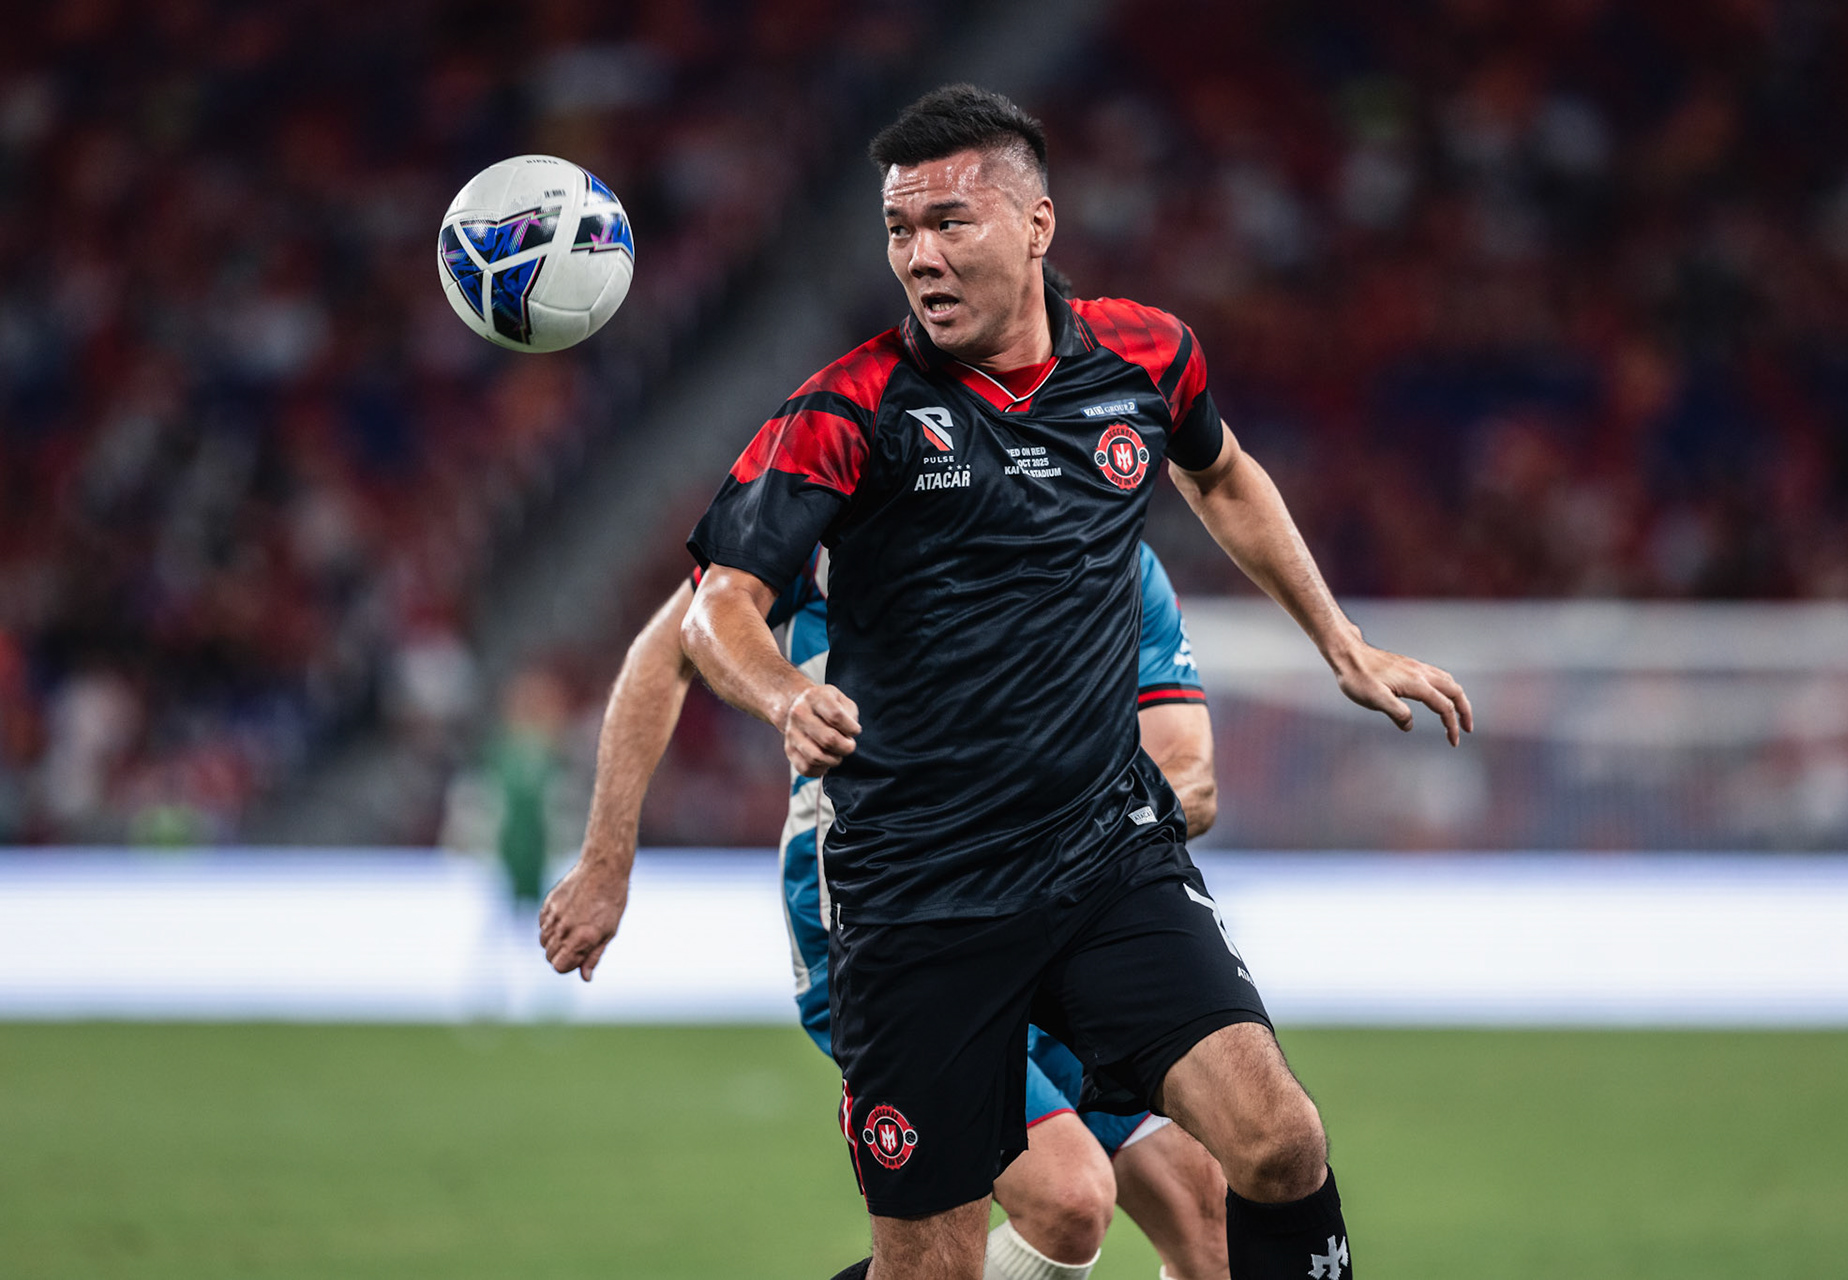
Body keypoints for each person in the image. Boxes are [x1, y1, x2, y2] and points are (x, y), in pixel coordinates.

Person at [676, 84, 1473, 1280]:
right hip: (919, 899)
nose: (920, 257)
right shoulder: (850, 408)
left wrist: (1340, 640)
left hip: (1106, 861)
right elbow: (715, 606)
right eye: (900, 230)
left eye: (951, 221)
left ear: (1037, 225)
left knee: (1277, 1142)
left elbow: (1225, 474)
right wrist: (786, 692)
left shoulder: (1145, 355)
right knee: (938, 1266)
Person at [541, 538, 1230, 1280]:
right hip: (884, 918)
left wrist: (1059, 807)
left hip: (1063, 914)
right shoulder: (853, 507)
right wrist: (607, 861)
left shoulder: (1117, 554)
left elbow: (1190, 775)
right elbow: (674, 643)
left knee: (1210, 1219)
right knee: (1065, 1202)